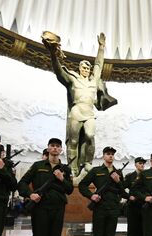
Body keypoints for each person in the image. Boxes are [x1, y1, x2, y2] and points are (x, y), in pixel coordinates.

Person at [42, 31, 117, 176]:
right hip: (76, 112)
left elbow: (99, 65)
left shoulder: (93, 80)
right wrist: (53, 54)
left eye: (88, 68)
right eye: (83, 67)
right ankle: (73, 167)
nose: (86, 69)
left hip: (89, 112)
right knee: (74, 141)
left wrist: (101, 48)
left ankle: (88, 163)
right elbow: (58, 71)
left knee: (90, 135)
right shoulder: (73, 79)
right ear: (79, 69)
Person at [18, 138, 73, 236]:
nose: (55, 148)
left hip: (57, 208)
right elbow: (22, 183)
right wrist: (30, 195)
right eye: (52, 146)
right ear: (48, 149)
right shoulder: (37, 166)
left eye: (58, 146)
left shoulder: (65, 169)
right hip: (40, 208)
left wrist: (62, 179)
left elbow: (69, 189)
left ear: (61, 150)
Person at [78, 146, 126, 236]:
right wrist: (91, 195)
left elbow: (123, 193)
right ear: (103, 156)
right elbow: (82, 185)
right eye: (108, 154)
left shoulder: (118, 173)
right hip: (99, 209)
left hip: (113, 209)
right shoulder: (96, 171)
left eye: (112, 154)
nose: (110, 156)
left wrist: (118, 182)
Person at [123, 157, 146, 236]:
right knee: (132, 233)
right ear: (135, 165)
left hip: (143, 207)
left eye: (143, 164)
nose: (142, 165)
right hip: (132, 208)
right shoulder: (130, 176)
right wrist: (128, 196)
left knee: (141, 234)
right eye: (140, 163)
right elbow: (121, 188)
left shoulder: (146, 176)